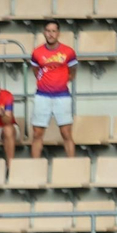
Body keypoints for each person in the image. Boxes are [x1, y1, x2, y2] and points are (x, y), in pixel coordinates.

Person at [30, 22, 78, 159]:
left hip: (62, 96)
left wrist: (62, 81)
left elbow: (73, 71)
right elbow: (35, 70)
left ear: (58, 33)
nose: (50, 34)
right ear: (44, 32)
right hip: (42, 96)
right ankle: (35, 166)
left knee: (66, 133)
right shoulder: (37, 52)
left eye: (53, 31)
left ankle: (72, 165)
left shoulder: (68, 52)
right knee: (37, 133)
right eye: (48, 31)